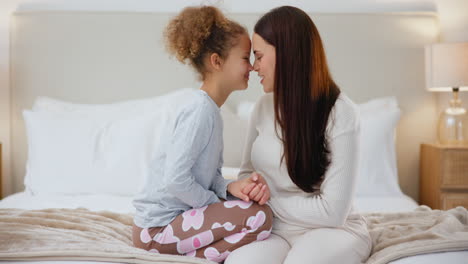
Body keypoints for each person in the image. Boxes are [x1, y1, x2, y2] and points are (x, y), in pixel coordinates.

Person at [226, 6, 371, 264]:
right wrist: (251, 188)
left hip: (332, 230)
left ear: (286, 54)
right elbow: (247, 173)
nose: (254, 67)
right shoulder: (262, 107)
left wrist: (269, 201)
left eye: (259, 56)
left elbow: (332, 212)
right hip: (273, 229)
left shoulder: (340, 112)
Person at [131, 6, 273, 263]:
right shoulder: (200, 110)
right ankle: (190, 258)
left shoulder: (209, 110)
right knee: (260, 218)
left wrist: (230, 188)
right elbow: (176, 179)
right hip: (156, 230)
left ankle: (189, 256)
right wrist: (214, 204)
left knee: (258, 213)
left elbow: (206, 177)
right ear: (217, 61)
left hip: (170, 224)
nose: (252, 67)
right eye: (244, 58)